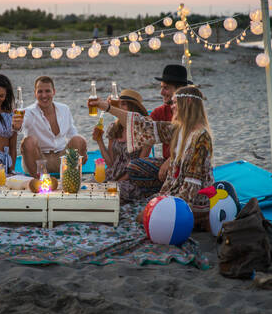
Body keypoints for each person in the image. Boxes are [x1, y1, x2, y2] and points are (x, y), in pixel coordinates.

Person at [89, 86, 214, 230]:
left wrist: (166, 207)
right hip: (176, 193)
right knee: (129, 214)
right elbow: (142, 125)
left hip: (194, 202)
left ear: (189, 103)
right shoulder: (178, 130)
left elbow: (192, 185)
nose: (171, 107)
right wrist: (107, 107)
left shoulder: (201, 137)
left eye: (175, 103)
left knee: (140, 218)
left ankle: (198, 220)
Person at [126, 64, 191, 195]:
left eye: (166, 88)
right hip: (166, 165)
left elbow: (189, 145)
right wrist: (139, 167)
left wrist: (170, 161)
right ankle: (154, 192)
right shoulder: (161, 111)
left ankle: (165, 192)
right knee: (134, 166)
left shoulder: (190, 113)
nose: (161, 92)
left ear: (179, 90)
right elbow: (146, 133)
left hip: (187, 164)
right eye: (161, 88)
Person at [14, 76, 87, 177]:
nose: (44, 95)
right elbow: (19, 126)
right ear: (35, 93)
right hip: (38, 161)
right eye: (40, 91)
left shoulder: (64, 109)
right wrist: (17, 126)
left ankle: (70, 178)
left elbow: (73, 134)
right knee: (28, 141)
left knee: (79, 140)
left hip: (62, 160)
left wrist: (83, 148)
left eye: (47, 91)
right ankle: (39, 180)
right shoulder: (29, 112)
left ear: (54, 92)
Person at [92, 89, 151, 204]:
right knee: (90, 186)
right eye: (119, 104)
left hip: (131, 178)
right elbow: (111, 163)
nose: (119, 107)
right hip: (113, 173)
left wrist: (116, 182)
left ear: (133, 109)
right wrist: (99, 141)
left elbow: (138, 167)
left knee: (113, 191)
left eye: (123, 104)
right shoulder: (114, 127)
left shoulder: (145, 131)